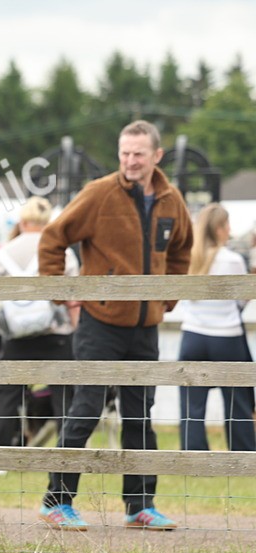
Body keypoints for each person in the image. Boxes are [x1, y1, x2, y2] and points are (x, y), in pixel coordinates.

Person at [38, 120, 192, 531]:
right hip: (99, 323)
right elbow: (53, 237)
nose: (130, 160)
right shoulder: (98, 193)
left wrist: (168, 297)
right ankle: (57, 501)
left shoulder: (171, 199)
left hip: (146, 326)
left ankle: (139, 505)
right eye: (124, 152)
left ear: (156, 156)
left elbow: (181, 251)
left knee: (141, 416)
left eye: (138, 153)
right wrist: (59, 291)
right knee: (85, 410)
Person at [0, 196, 79, 449]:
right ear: (48, 222)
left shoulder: (3, 254)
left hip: (16, 336)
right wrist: (75, 331)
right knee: (64, 395)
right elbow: (73, 298)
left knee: (8, 394)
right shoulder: (63, 252)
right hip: (56, 334)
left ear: (23, 222)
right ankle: (67, 451)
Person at [178, 203, 255, 452]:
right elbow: (242, 299)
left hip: (193, 335)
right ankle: (243, 451)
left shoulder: (191, 259)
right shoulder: (232, 260)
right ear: (220, 228)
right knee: (237, 400)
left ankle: (193, 453)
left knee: (191, 402)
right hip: (227, 336)